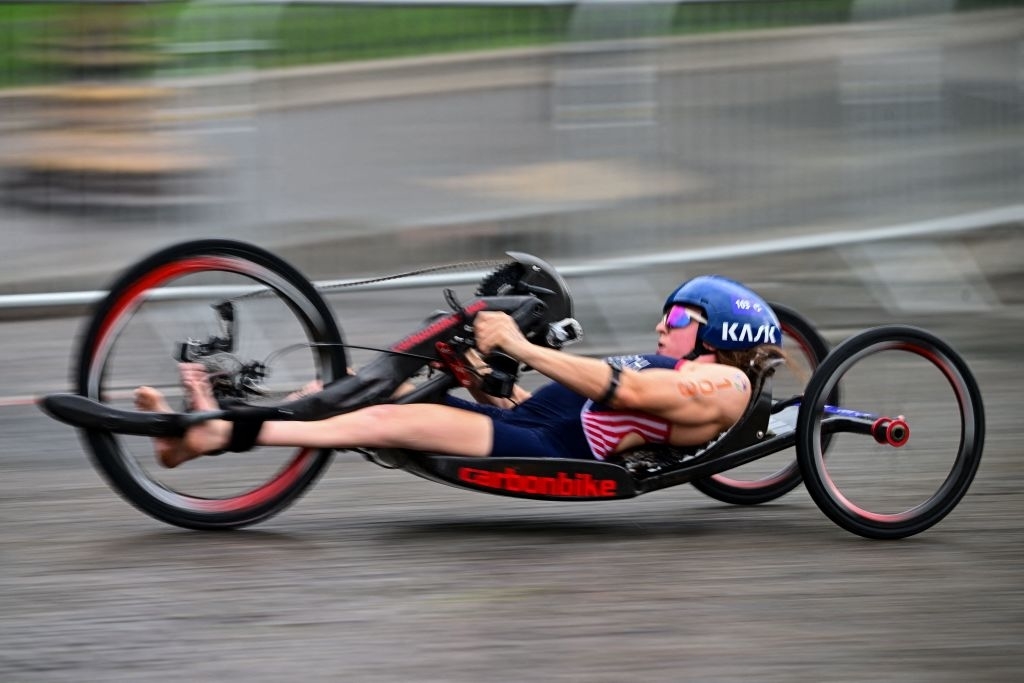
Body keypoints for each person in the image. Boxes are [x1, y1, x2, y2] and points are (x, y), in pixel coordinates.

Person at [136, 275, 785, 469]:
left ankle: (209, 433)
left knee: (383, 417)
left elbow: (633, 392)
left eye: (674, 316)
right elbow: (567, 404)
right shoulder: (683, 366)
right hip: (535, 423)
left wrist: (520, 346)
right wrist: (486, 375)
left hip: (549, 448)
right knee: (344, 395)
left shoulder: (725, 384)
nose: (660, 326)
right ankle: (197, 432)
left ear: (719, 332)